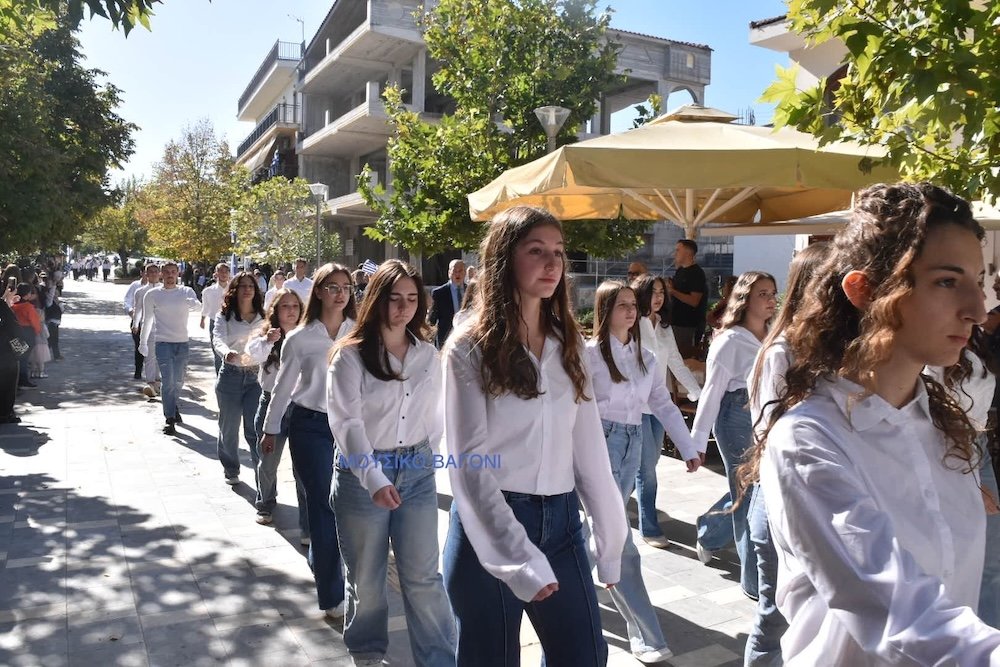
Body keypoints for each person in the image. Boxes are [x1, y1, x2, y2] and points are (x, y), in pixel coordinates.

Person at [739, 182, 1000, 663]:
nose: (978, 309)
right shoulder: (808, 440)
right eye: (947, 281)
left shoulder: (946, 427)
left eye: (978, 280)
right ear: (864, 290)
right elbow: (899, 609)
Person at [441, 206, 627, 666]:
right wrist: (519, 556)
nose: (552, 264)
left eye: (559, 253)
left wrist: (611, 538)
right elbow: (468, 466)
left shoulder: (571, 345)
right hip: (491, 527)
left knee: (584, 655)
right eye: (536, 251)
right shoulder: (468, 347)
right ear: (506, 259)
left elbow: (589, 452)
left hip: (562, 524)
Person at [328, 260, 457, 666]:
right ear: (377, 300)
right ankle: (366, 651)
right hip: (360, 474)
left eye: (412, 299)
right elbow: (346, 422)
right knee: (367, 580)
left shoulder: (426, 353)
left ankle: (438, 659)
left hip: (416, 470)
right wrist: (373, 477)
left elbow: (435, 415)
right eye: (394, 298)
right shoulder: (350, 356)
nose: (403, 307)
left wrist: (427, 458)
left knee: (423, 577)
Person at [585, 279, 701, 664]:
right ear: (605, 310)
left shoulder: (646, 358)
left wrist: (688, 447)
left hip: (631, 444)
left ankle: (559, 588)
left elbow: (664, 405)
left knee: (602, 534)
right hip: (595, 445)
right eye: (622, 305)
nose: (631, 311)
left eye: (633, 304)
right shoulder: (586, 355)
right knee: (614, 536)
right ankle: (646, 634)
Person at [742, 242, 828, 666]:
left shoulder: (831, 351)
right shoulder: (780, 352)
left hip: (820, 507)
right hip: (781, 503)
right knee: (775, 621)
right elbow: (769, 435)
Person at [260, 263, 355, 617]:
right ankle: (332, 595)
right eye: (333, 286)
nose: (341, 293)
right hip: (310, 428)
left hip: (351, 429)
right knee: (323, 503)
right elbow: (283, 387)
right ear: (318, 291)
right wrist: (270, 430)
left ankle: (322, 557)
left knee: (341, 505)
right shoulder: (299, 338)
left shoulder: (358, 332)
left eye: (346, 287)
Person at [690, 271, 777, 600]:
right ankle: (753, 582)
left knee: (753, 493)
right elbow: (711, 393)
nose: (771, 300)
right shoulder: (729, 340)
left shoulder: (772, 334)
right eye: (763, 294)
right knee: (746, 497)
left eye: (773, 293)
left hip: (765, 416)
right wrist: (696, 444)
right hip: (735, 417)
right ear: (745, 299)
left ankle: (710, 533)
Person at [630, 274, 702, 548]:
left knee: (647, 465)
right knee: (647, 469)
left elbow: (675, 362)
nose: (658, 297)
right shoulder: (632, 324)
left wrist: (697, 393)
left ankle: (621, 499)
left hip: (659, 407)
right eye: (653, 292)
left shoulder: (663, 326)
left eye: (661, 292)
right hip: (635, 407)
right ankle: (649, 527)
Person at [247, 288, 308, 531]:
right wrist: (268, 340)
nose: (291, 310)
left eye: (295, 306)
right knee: (268, 461)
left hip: (301, 406)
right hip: (271, 402)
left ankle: (307, 520)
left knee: (304, 466)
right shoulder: (266, 336)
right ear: (276, 310)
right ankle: (265, 502)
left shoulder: (308, 335)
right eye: (285, 306)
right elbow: (253, 354)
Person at [213, 272, 265, 486]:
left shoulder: (264, 316)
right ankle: (231, 468)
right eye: (242, 286)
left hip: (255, 377)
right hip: (231, 376)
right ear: (234, 290)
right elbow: (217, 338)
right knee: (229, 428)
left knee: (254, 429)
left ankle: (262, 477)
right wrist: (226, 353)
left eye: (251, 286)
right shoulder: (224, 316)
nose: (247, 289)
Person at [138, 262, 201, 435]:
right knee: (168, 381)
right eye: (166, 272)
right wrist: (143, 342)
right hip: (163, 343)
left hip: (182, 342)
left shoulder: (186, 291)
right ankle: (169, 419)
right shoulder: (152, 294)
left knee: (178, 381)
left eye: (173, 272)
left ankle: (173, 407)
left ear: (178, 273)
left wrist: (193, 303)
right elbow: (147, 320)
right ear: (161, 274)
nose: (170, 275)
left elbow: (199, 307)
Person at [667, 239, 708, 352]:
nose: (675, 253)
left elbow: (694, 301)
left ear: (687, 252)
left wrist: (673, 291)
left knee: (683, 356)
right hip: (675, 321)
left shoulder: (696, 273)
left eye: (678, 250)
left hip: (688, 324)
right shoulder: (680, 270)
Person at [131, 264, 162, 399]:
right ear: (145, 274)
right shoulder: (140, 291)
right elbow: (138, 309)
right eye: (150, 272)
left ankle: (158, 381)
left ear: (159, 273)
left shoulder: (165, 289)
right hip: (148, 327)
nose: (154, 274)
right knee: (149, 356)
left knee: (161, 356)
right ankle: (150, 383)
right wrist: (135, 323)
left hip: (164, 328)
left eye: (156, 272)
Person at [200, 263, 231, 375]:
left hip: (231, 322)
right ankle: (220, 376)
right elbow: (206, 307)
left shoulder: (234, 290)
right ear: (216, 274)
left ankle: (230, 376)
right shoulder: (208, 291)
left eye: (226, 272)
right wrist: (202, 319)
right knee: (218, 352)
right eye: (221, 271)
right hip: (215, 323)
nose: (223, 274)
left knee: (231, 351)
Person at [428, 259, 466, 348]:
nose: (457, 274)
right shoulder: (439, 293)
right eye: (454, 271)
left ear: (465, 273)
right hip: (446, 340)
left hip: (466, 340)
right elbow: (432, 319)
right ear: (449, 273)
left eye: (460, 271)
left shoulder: (471, 291)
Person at [124, 265, 149, 379]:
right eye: (147, 272)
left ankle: (152, 374)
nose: (149, 275)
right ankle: (138, 370)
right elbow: (127, 300)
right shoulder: (135, 286)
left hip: (154, 323)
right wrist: (130, 310)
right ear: (142, 273)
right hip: (138, 321)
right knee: (139, 346)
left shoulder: (158, 287)